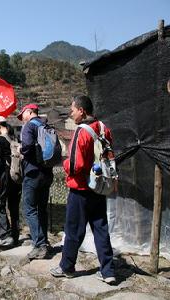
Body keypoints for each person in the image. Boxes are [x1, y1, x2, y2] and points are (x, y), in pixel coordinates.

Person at [50, 95, 116, 284]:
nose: (71, 113)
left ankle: (66, 267)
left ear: (82, 111)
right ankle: (108, 271)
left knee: (73, 230)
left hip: (80, 189)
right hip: (99, 187)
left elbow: (74, 165)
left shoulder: (81, 131)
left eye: (73, 109)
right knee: (101, 228)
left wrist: (63, 163)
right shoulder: (104, 128)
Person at [18, 103, 54, 260]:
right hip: (47, 172)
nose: (22, 118)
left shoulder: (29, 126)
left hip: (33, 172)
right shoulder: (45, 125)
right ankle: (44, 241)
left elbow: (26, 146)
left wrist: (21, 150)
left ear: (29, 111)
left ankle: (39, 245)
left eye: (23, 114)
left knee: (30, 209)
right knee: (42, 209)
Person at [0, 116, 21, 248]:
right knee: (14, 206)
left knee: (0, 203)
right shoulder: (14, 138)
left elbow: (0, 162)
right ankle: (15, 235)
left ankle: (5, 234)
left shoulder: (0, 139)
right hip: (16, 176)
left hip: (5, 176)